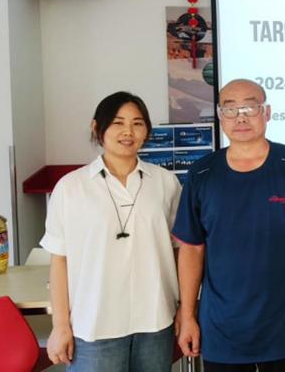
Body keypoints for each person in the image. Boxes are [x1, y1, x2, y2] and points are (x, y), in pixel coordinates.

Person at [173, 78, 285, 371]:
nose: (240, 117)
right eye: (230, 109)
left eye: (250, 107)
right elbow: (192, 249)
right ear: (220, 116)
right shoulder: (202, 174)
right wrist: (188, 314)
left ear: (266, 112)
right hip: (222, 326)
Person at [42, 91, 181, 371]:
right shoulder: (71, 187)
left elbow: (180, 252)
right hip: (94, 326)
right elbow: (59, 260)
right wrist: (60, 325)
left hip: (155, 321)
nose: (128, 131)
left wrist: (185, 310)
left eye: (137, 123)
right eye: (118, 123)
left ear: (147, 131)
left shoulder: (166, 183)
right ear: (97, 128)